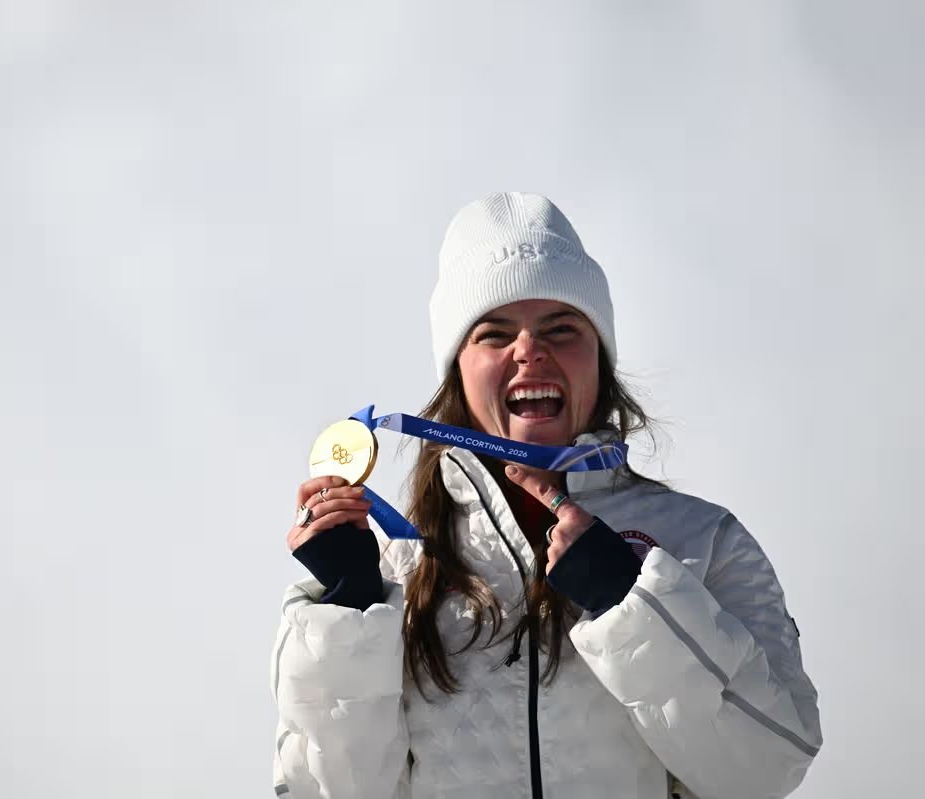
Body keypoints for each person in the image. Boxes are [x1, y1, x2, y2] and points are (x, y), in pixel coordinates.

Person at [269, 193, 822, 798]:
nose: (529, 350)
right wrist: (348, 609)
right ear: (457, 373)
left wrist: (629, 601)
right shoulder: (396, 570)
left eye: (562, 328)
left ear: (600, 360)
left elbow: (767, 769)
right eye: (494, 333)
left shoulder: (702, 541)